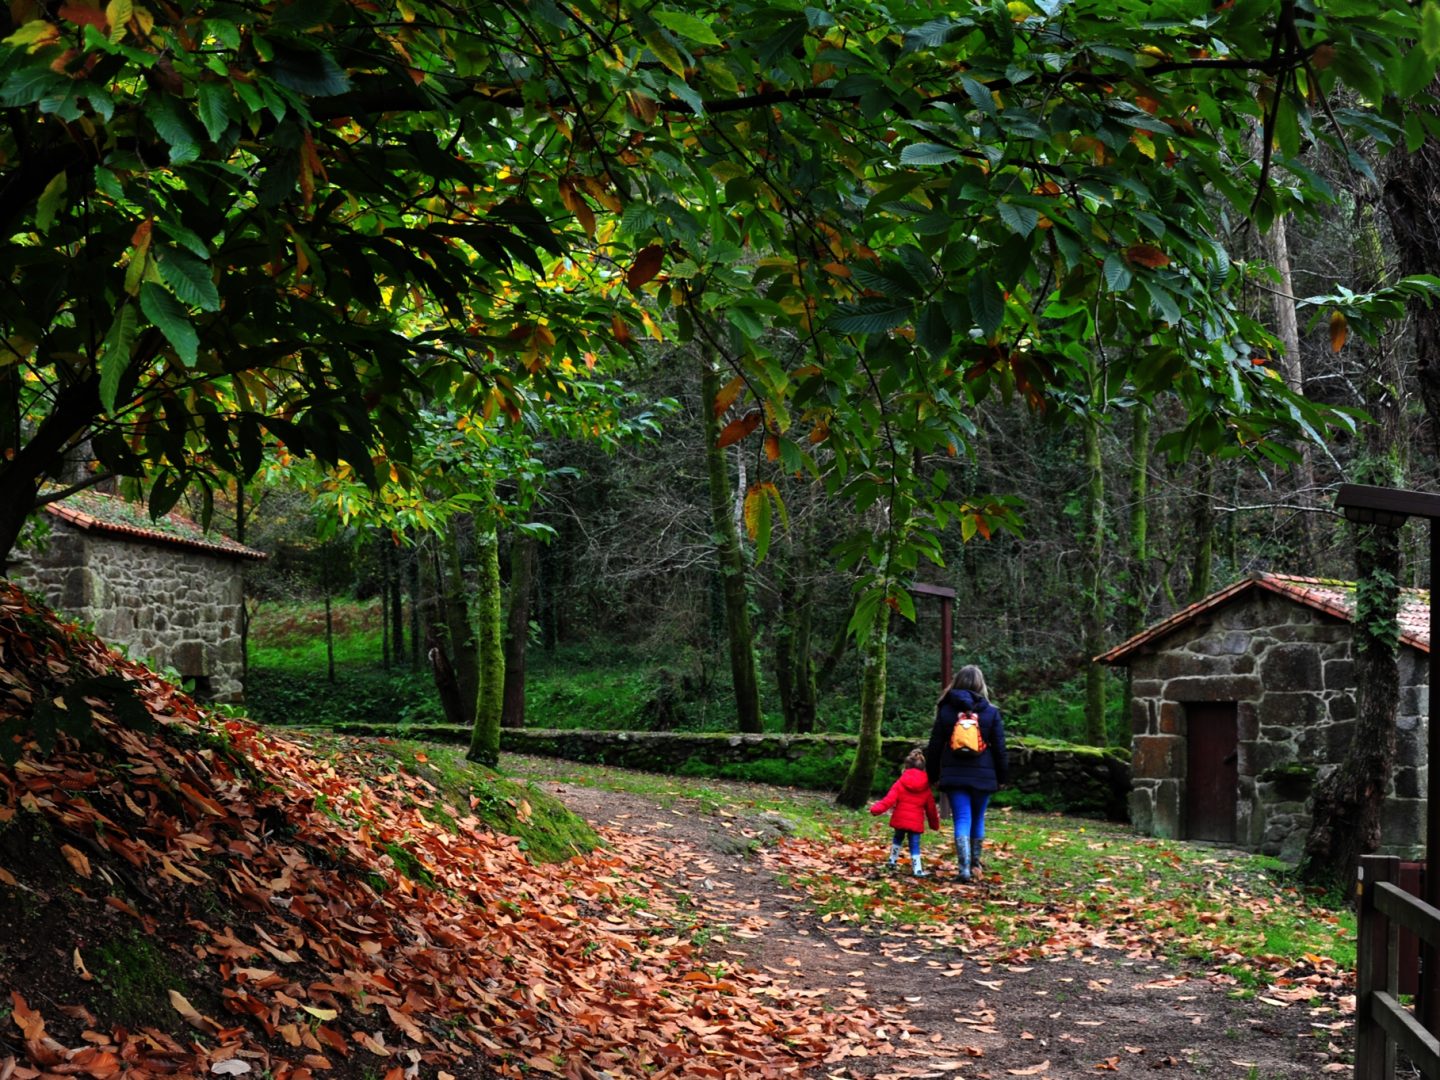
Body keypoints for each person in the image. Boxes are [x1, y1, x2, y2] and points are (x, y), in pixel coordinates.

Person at [925, 664, 1007, 882]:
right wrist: (1002, 777)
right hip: (984, 774)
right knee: (978, 817)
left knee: (962, 818)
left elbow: (934, 747)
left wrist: (932, 775)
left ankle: (963, 869)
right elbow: (1000, 748)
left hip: (954, 774)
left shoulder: (945, 710)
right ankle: (975, 863)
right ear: (981, 684)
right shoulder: (990, 712)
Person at [869, 747, 941, 876]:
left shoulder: (900, 783)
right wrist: (934, 824)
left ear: (906, 767)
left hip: (900, 819)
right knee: (915, 844)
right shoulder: (926, 787)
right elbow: (931, 808)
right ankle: (917, 869)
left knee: (898, 838)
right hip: (916, 823)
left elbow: (888, 800)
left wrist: (876, 809)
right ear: (923, 768)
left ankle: (892, 861)